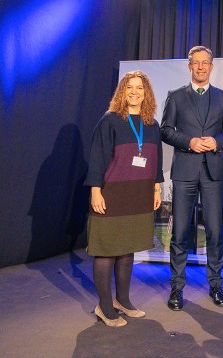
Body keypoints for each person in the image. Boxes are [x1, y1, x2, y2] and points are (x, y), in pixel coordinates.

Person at [85, 70, 163, 327]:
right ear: (122, 91)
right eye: (130, 87)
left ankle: (123, 301)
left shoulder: (152, 124)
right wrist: (95, 190)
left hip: (138, 194)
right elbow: (97, 157)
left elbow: (156, 158)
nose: (134, 92)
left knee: (127, 248)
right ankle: (105, 307)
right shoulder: (110, 120)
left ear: (146, 93)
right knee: (106, 250)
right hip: (112, 194)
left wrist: (156, 188)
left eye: (140, 87)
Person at [161, 46, 223, 310]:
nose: (201, 67)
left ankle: (216, 285)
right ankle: (177, 288)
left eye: (205, 63)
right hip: (184, 171)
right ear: (189, 66)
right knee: (180, 231)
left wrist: (216, 141)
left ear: (211, 67)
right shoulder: (175, 96)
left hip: (212, 172)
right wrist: (189, 142)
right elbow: (165, 130)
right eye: (196, 63)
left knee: (215, 231)